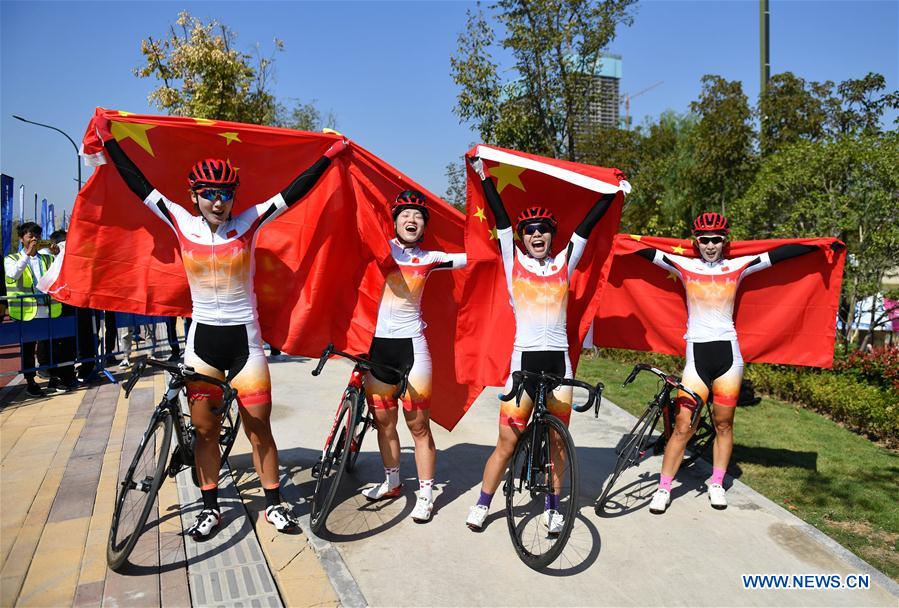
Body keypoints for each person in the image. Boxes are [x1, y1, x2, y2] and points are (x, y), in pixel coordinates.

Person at [101, 129, 348, 539]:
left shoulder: (249, 221)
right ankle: (210, 508)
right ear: (194, 195)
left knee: (259, 428)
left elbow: (295, 191)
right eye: (209, 193)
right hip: (203, 345)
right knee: (205, 431)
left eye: (226, 194)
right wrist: (109, 143)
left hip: (244, 344)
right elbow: (137, 183)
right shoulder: (180, 220)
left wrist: (330, 154)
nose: (219, 201)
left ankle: (274, 505)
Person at [635, 212, 824, 513]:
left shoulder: (738, 266)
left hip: (729, 356)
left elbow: (780, 254)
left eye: (716, 239)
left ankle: (716, 483)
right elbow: (645, 251)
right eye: (705, 239)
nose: (710, 245)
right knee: (683, 426)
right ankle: (664, 488)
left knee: (724, 423)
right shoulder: (685, 265)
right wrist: (615, 241)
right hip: (697, 356)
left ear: (725, 241)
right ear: (696, 242)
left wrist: (817, 245)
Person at [465, 157, 615, 532]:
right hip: (524, 364)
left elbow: (587, 227)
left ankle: (551, 505)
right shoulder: (512, 259)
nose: (536, 235)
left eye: (543, 230)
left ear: (552, 235)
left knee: (558, 443)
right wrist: (484, 178)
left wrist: (611, 194)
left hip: (559, 364)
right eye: (529, 230)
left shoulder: (565, 260)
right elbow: (500, 220)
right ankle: (483, 503)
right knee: (507, 441)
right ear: (522, 236)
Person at [359, 190, 466, 523]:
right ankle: (392, 483)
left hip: (413, 350)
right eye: (405, 214)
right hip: (379, 349)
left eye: (418, 216)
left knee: (418, 427)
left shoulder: (430, 258)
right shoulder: (380, 249)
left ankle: (426, 493)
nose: (412, 220)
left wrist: (506, 241)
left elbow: (476, 256)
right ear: (394, 221)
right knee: (383, 423)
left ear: (424, 226)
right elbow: (353, 219)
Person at [4, 222, 62, 397]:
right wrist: (26, 256)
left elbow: (60, 272)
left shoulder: (47, 258)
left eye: (37, 235)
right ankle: (30, 382)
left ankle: (53, 377)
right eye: (30, 235)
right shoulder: (11, 259)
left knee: (49, 347)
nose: (34, 238)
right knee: (28, 350)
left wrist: (58, 255)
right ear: (22, 239)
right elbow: (13, 274)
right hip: (26, 312)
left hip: (47, 310)